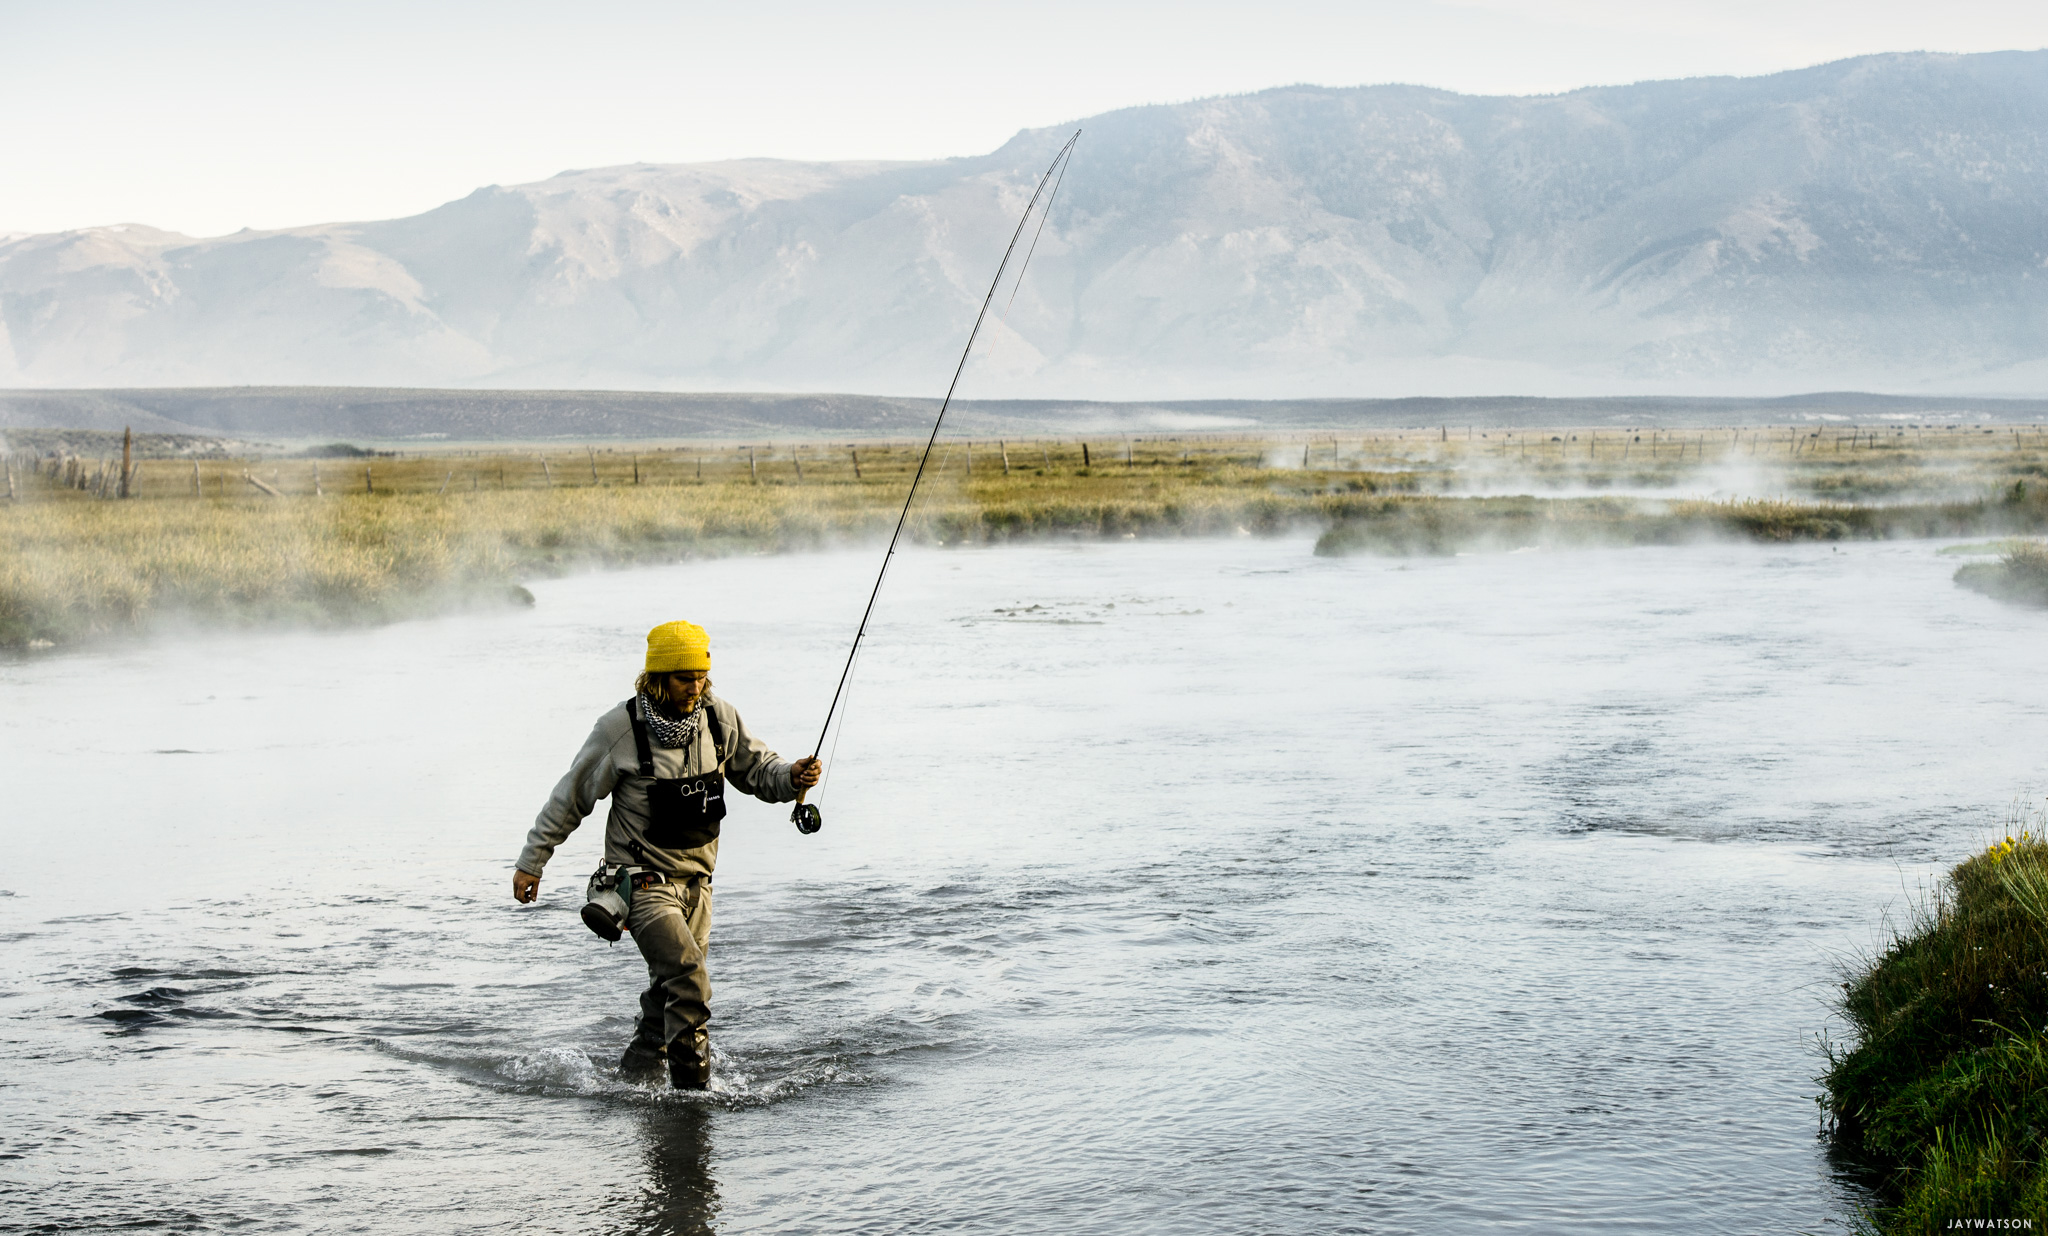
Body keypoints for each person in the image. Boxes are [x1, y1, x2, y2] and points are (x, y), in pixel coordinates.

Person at [512, 620, 821, 1090]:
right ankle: (693, 1100)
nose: (694, 688)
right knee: (689, 980)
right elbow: (570, 797)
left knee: (667, 996)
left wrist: (792, 776)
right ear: (656, 679)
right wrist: (532, 862)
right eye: (683, 679)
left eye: (701, 677)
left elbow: (758, 771)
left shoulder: (718, 717)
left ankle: (632, 1083)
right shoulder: (620, 729)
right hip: (641, 885)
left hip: (699, 887)